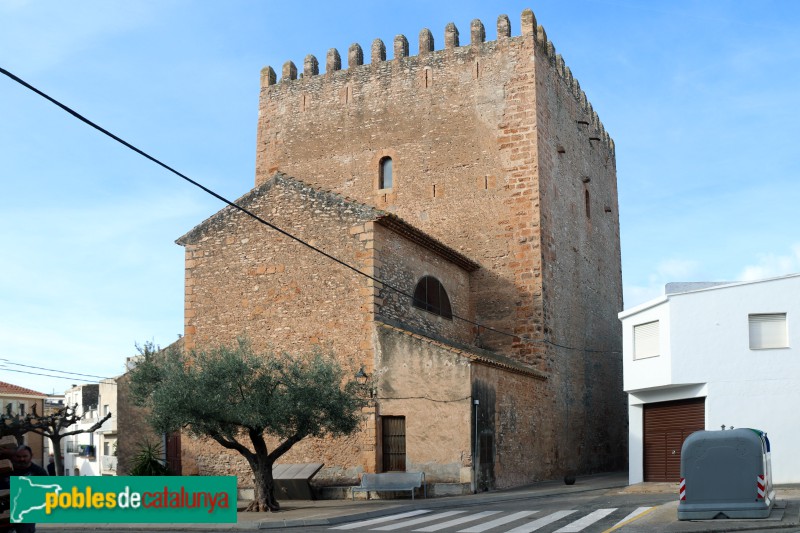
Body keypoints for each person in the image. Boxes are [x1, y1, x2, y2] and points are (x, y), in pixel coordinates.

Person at [10, 445, 47, 533]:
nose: (22, 459)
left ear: (31, 456)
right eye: (18, 456)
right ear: (14, 457)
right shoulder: (7, 470)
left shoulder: (38, 472)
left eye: (25, 456)